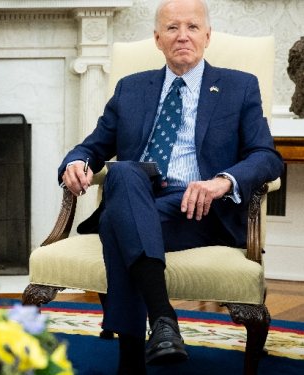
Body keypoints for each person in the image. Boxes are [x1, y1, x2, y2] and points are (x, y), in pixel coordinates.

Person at [58, 0, 284, 374]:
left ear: (207, 36)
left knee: (118, 217)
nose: (183, 36)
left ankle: (131, 358)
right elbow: (93, 146)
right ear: (157, 38)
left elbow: (266, 156)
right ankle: (163, 319)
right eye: (173, 28)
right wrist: (75, 164)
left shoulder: (238, 86)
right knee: (126, 172)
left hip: (199, 209)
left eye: (193, 27)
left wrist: (220, 182)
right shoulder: (131, 88)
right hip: (139, 195)